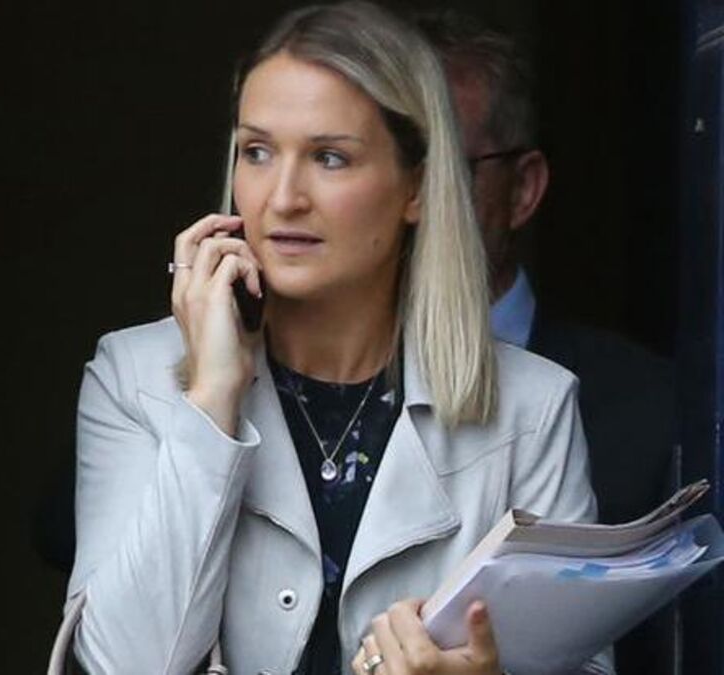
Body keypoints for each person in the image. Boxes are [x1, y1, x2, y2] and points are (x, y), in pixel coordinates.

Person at [63, 3, 612, 674]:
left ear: (416, 187)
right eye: (257, 152)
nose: (282, 197)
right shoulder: (134, 376)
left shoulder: (533, 407)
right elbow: (123, 664)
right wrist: (211, 399)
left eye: (329, 157)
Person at [414, 12, 677, 674]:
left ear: (523, 189)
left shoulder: (650, 410)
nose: (412, 201)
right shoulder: (292, 390)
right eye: (389, 161)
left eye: (444, 169)